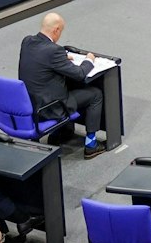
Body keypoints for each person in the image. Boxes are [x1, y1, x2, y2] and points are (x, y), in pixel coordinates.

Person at [19, 11, 107, 157]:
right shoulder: (54, 51)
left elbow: (41, 58)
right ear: (56, 30)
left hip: (29, 104)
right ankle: (91, 145)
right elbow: (79, 74)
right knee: (95, 94)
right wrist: (89, 59)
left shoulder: (27, 41)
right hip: (49, 108)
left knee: (61, 84)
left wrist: (62, 58)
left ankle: (62, 132)